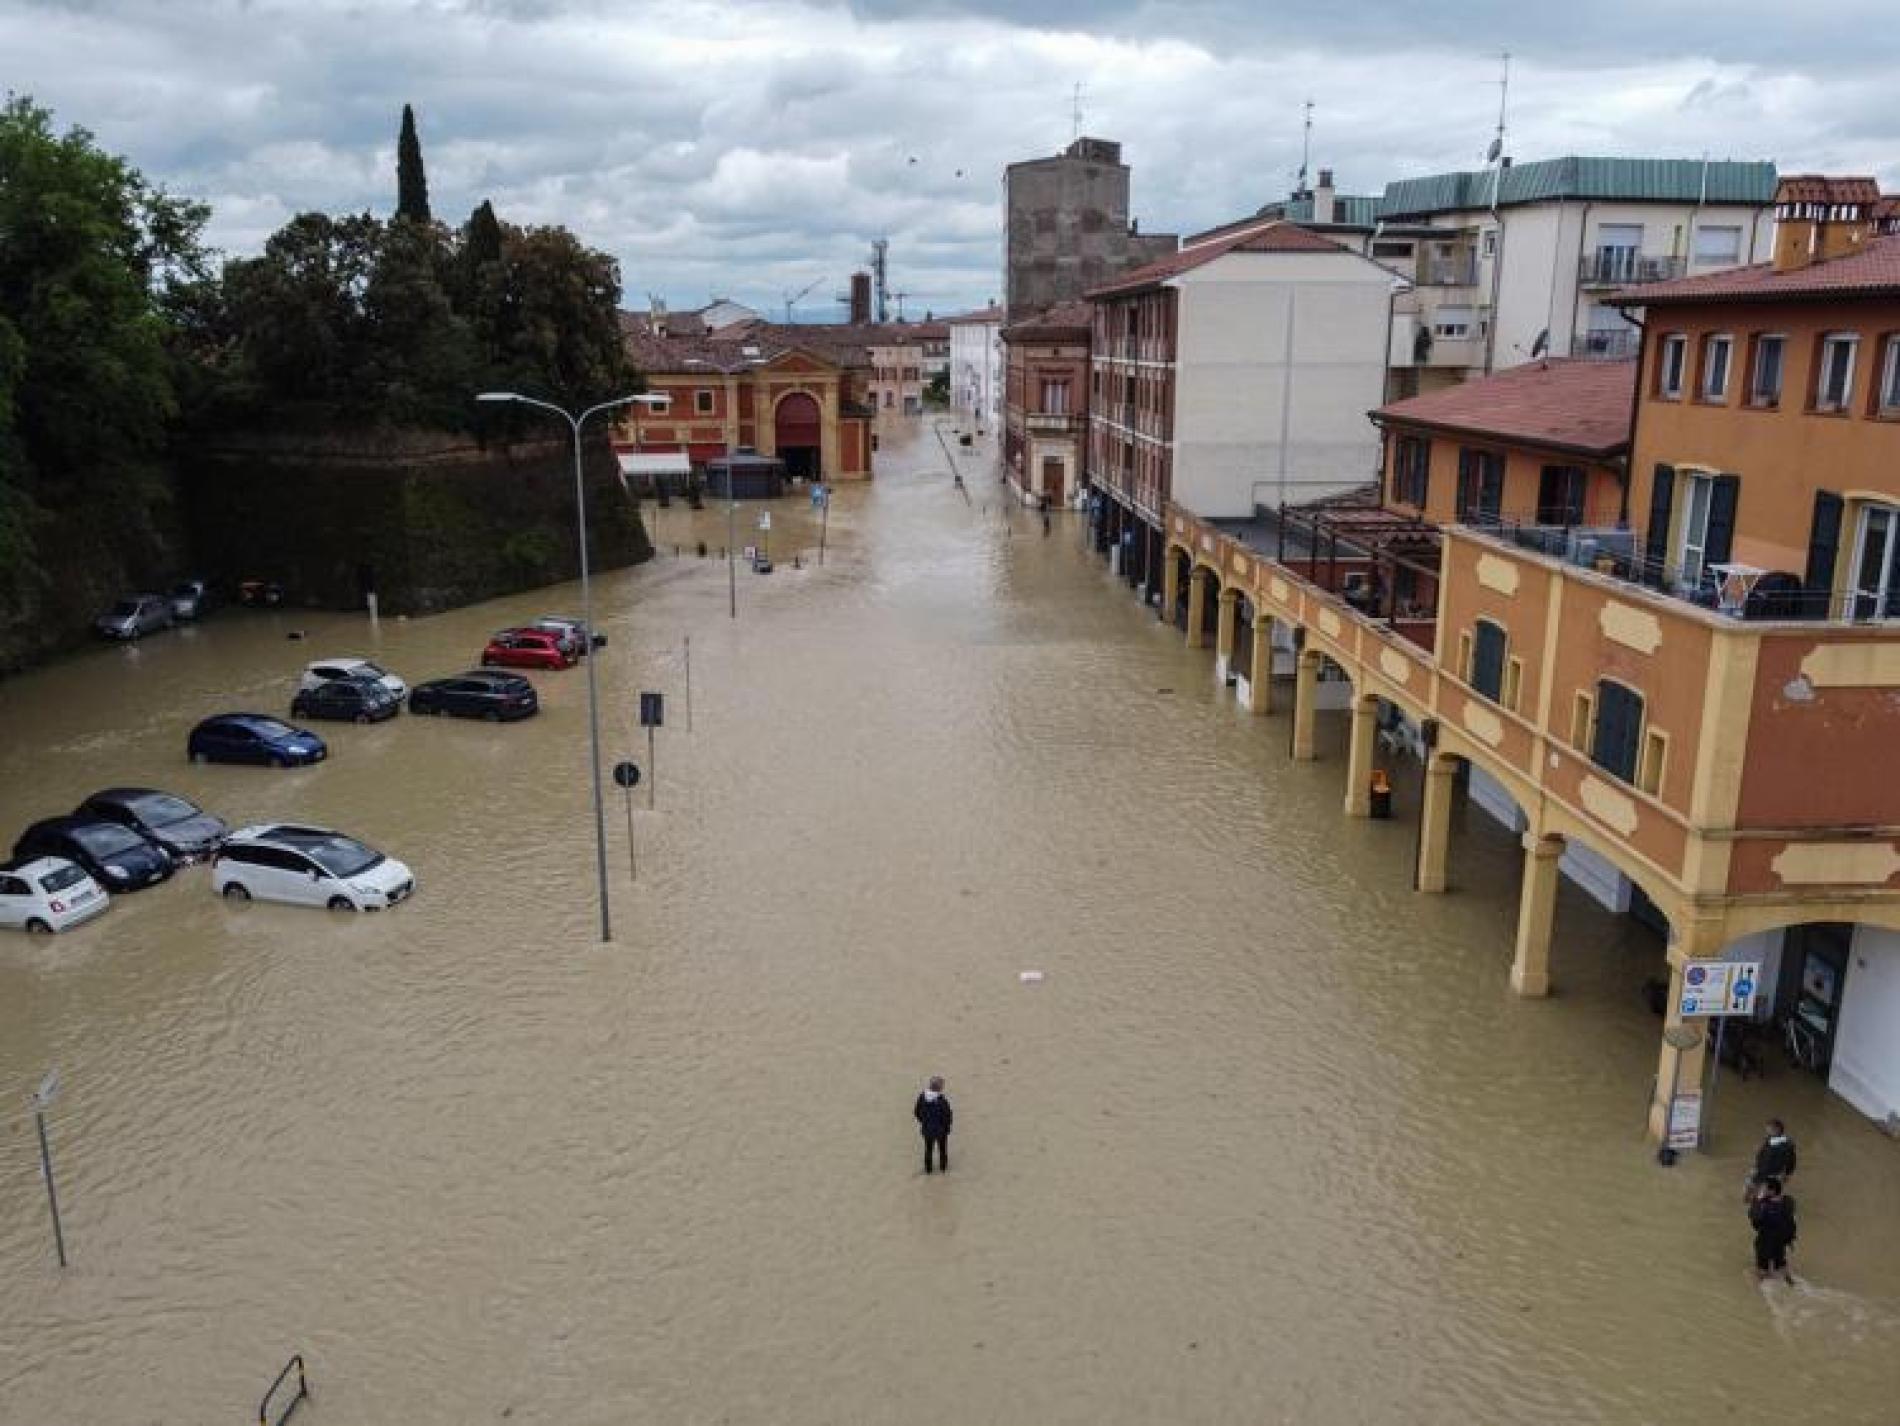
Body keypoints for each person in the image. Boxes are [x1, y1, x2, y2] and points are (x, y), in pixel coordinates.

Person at [1748, 1177, 1797, 1283]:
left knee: (1761, 1269)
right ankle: (1790, 1283)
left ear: (1771, 1191)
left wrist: (1756, 1201)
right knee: (1780, 1264)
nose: (1762, 1190)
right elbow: (1791, 1222)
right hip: (1780, 1240)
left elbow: (1755, 1220)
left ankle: (1758, 1292)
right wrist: (1790, 1239)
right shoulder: (1787, 1203)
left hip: (1765, 1240)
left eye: (1764, 1188)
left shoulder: (1764, 1205)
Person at [1745, 1119, 1798, 1203]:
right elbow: (1761, 1155)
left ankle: (1759, 1203)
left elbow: (1791, 1161)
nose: (1767, 1131)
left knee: (1765, 1192)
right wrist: (1755, 1166)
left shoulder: (1786, 1146)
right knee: (1750, 1183)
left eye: (1769, 1129)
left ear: (1777, 1130)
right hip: (1762, 1170)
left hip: (1772, 1173)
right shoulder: (1769, 1140)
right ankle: (1750, 1198)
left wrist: (1787, 1174)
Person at [914, 1075, 953, 1174]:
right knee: (943, 1150)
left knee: (928, 1150)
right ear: (939, 1088)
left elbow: (917, 1112)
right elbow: (947, 1116)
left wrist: (924, 1122)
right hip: (941, 1131)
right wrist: (947, 1128)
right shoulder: (942, 1101)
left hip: (927, 1129)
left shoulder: (922, 1097)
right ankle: (943, 1169)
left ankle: (928, 1170)